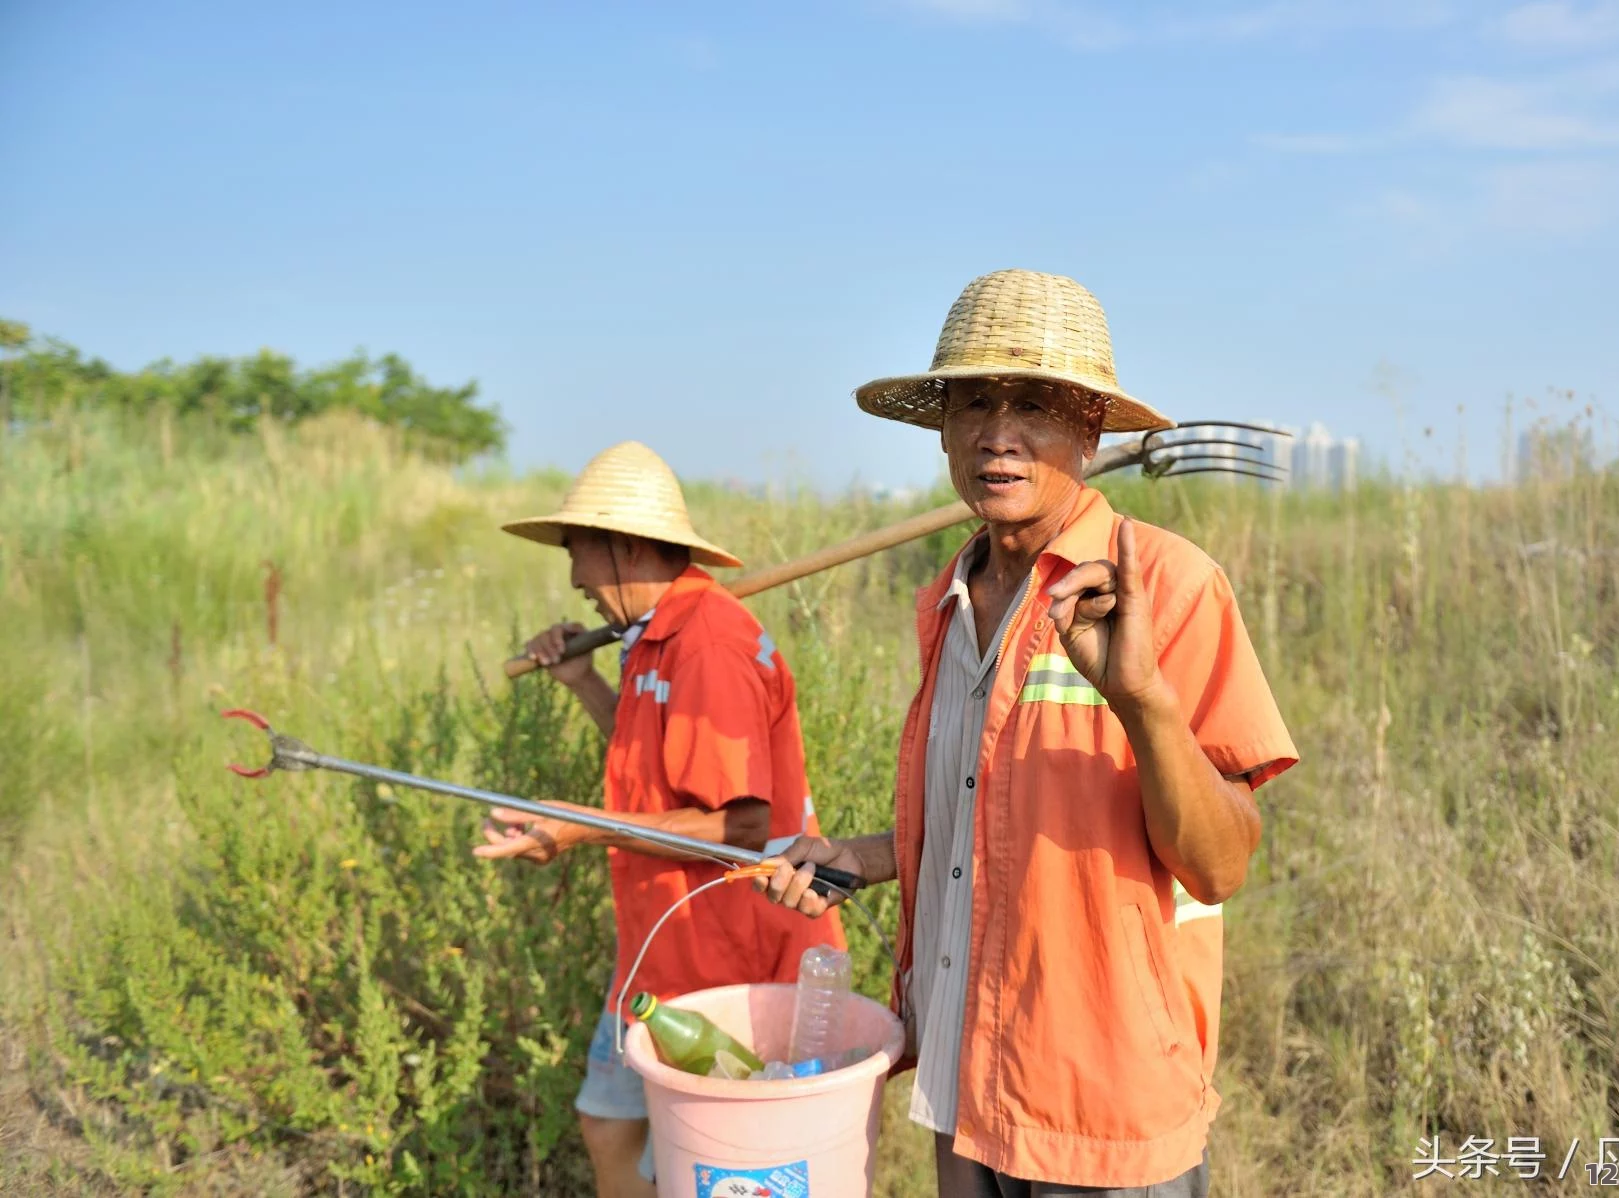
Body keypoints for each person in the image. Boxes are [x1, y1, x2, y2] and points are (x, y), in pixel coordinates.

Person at [755, 270, 1298, 1196]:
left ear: (1090, 430)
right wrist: (869, 854)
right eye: (974, 402)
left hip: (1100, 1100)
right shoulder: (949, 596)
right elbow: (992, 816)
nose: (997, 433)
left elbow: (1222, 864)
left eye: (1035, 404)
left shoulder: (1168, 587)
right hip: (963, 1073)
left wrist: (1145, 702)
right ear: (942, 430)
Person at [476, 439, 847, 1198]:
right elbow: (657, 770)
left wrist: (581, 826)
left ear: (624, 545)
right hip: (661, 941)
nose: (574, 576)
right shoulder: (651, 640)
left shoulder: (707, 643)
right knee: (610, 1123)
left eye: (576, 549)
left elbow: (741, 827)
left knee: (728, 1164)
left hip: (731, 950)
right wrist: (581, 681)